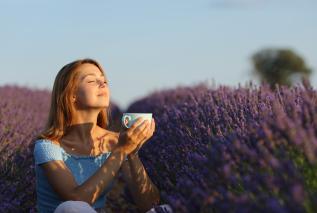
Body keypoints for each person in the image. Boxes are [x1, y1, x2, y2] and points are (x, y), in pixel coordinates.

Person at [32, 58, 172, 213]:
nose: (103, 83)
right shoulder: (48, 146)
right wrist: (121, 151)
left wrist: (132, 153)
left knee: (163, 210)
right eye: (91, 81)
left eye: (104, 80)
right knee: (70, 207)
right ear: (71, 95)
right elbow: (77, 199)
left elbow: (149, 205)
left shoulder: (115, 141)